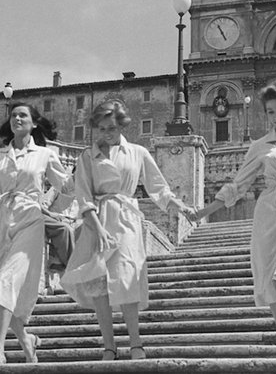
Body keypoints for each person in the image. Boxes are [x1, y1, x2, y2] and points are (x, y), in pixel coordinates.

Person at [184, 79, 276, 360]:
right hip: (271, 216)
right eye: (271, 112)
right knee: (271, 279)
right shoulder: (260, 146)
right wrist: (203, 212)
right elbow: (238, 185)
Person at [61, 100, 184, 361]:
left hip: (127, 218)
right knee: (99, 286)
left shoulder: (137, 152)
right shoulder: (87, 156)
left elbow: (158, 187)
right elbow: (84, 197)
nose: (107, 134)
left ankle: (136, 343)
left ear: (121, 126)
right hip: (97, 221)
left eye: (112, 128)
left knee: (127, 277)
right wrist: (97, 228)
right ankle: (109, 346)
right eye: (102, 128)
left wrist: (176, 204)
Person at [0, 102, 73, 364]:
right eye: (13, 115)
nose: (17, 118)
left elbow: (68, 188)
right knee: (6, 288)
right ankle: (26, 340)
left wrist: (53, 210)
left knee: (5, 280)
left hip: (30, 221)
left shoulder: (45, 154)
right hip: (2, 221)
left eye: (23, 115)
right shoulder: (0, 155)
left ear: (33, 123)